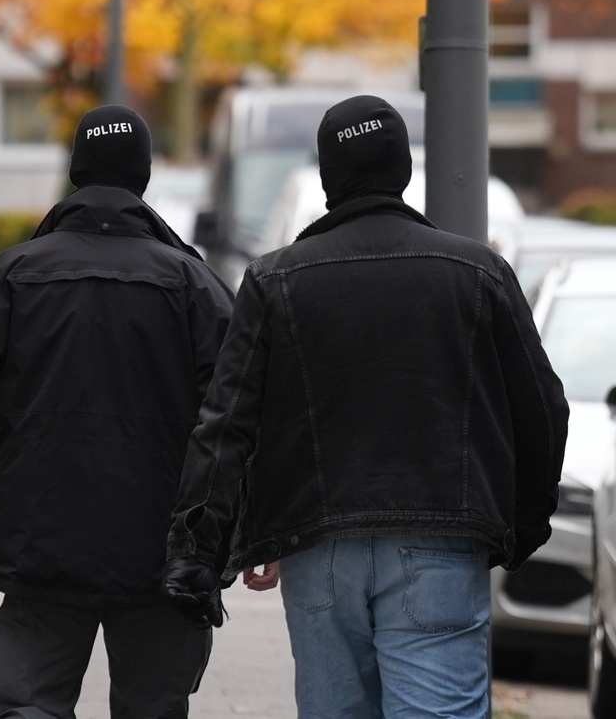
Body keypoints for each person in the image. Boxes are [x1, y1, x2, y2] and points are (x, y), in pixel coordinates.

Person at [163, 94, 569, 718]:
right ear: (405, 170)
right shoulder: (478, 272)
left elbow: (225, 426)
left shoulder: (275, 280)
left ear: (327, 179)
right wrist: (518, 525)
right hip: (443, 540)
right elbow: (542, 410)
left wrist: (203, 548)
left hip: (316, 545)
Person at [0, 104, 235, 719]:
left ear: (75, 171)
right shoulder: (197, 289)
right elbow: (231, 428)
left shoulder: (6, 278)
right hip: (162, 553)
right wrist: (222, 541)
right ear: (144, 178)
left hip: (38, 544)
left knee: (28, 706)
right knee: (155, 706)